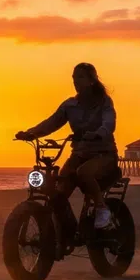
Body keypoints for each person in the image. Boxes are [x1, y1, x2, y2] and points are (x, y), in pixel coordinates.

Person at [15, 62, 118, 249]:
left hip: (104, 154)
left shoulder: (104, 102)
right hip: (78, 154)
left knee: (84, 173)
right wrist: (30, 133)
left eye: (80, 77)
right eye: (73, 78)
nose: (75, 81)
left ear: (92, 80)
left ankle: (102, 209)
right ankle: (68, 232)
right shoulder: (70, 105)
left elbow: (109, 122)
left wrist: (98, 133)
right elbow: (51, 123)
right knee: (58, 190)